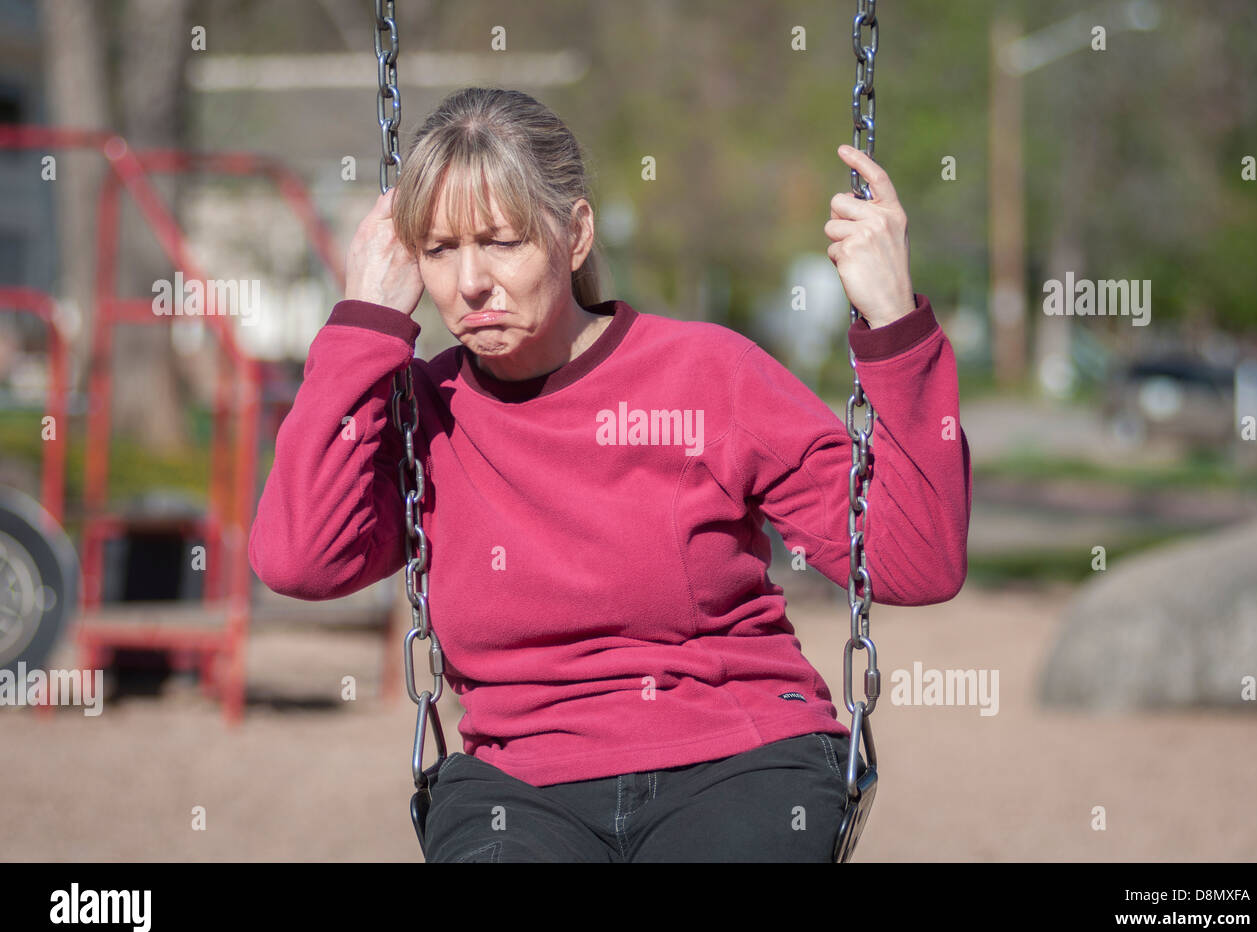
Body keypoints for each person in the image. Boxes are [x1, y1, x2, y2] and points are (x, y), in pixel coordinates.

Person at [249, 87, 971, 862]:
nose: (468, 284)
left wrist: (895, 323)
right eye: (438, 249)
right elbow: (299, 559)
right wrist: (364, 325)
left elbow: (912, 562)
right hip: (518, 786)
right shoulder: (425, 410)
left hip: (739, 757)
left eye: (501, 242)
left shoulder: (707, 375)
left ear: (576, 234)